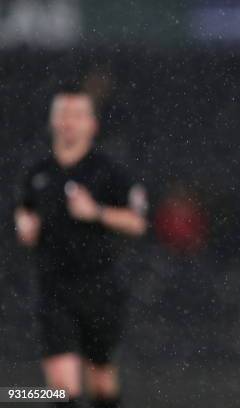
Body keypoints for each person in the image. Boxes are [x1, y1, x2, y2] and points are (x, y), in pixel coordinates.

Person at [14, 85, 147, 408]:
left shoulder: (110, 171)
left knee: (102, 386)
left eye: (76, 115)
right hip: (53, 289)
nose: (68, 122)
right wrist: (24, 225)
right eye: (62, 114)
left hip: (101, 289)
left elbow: (138, 222)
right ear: (52, 121)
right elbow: (24, 209)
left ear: (92, 124)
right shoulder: (37, 172)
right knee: (62, 390)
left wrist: (97, 212)